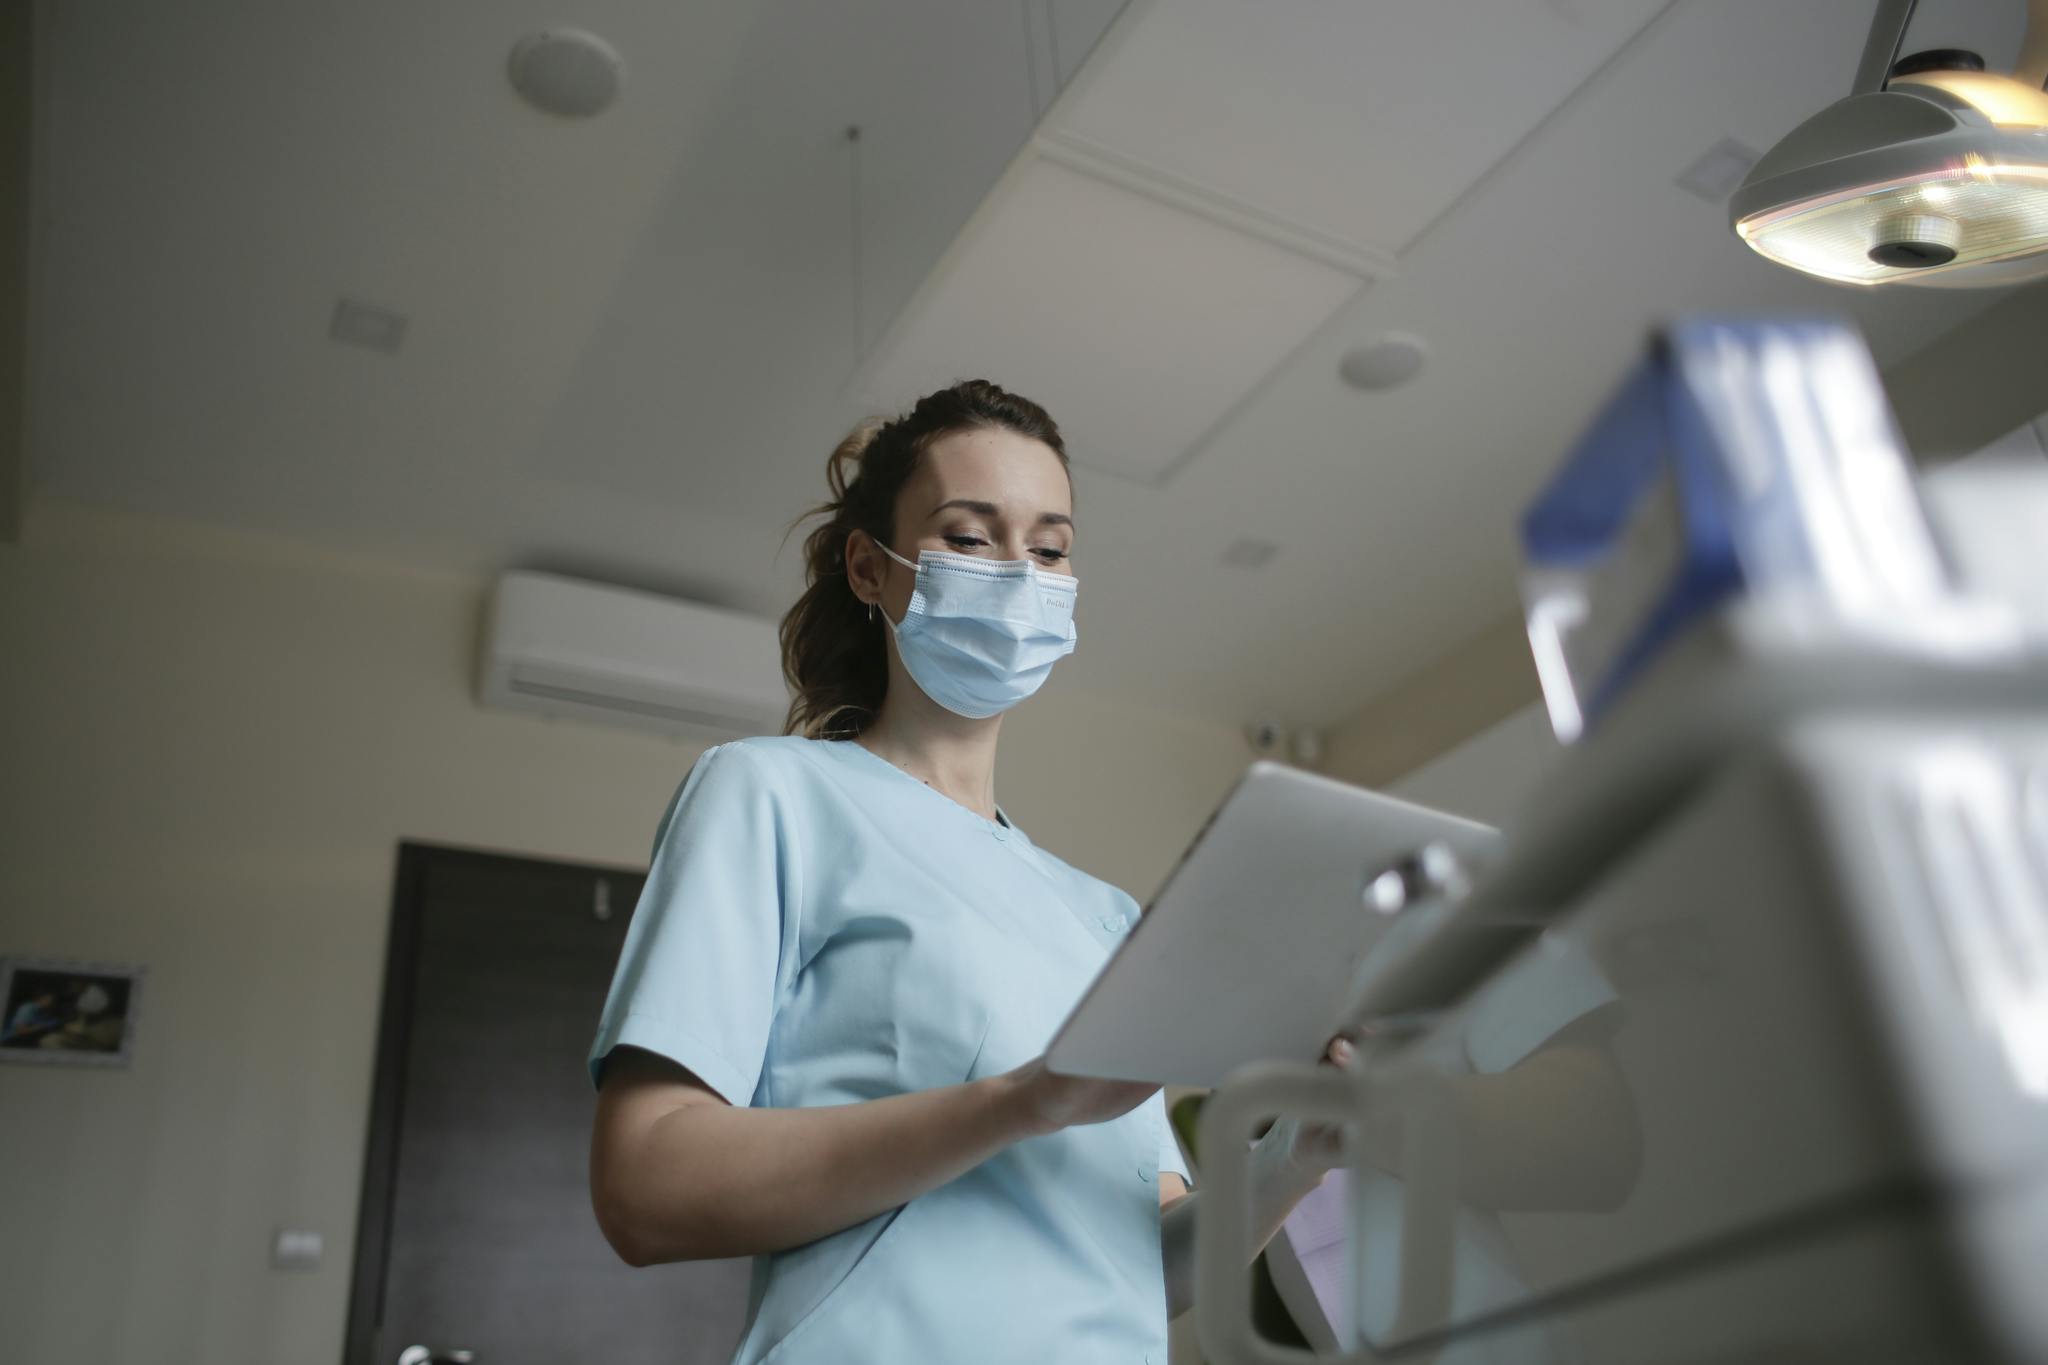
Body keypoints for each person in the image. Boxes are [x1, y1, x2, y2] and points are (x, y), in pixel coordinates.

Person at [586, 380, 1340, 1365]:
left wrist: (1293, 1162)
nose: (1019, 575)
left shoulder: (1104, 918)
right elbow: (645, 1189)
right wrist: (1025, 1100)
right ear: (870, 569)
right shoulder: (771, 795)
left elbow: (1135, 1269)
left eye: (1050, 548)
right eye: (972, 539)